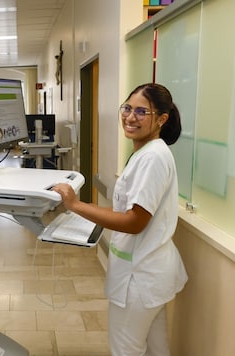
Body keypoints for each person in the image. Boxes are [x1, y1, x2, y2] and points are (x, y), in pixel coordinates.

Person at [52, 83, 188, 356]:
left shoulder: (152, 158)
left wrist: (75, 204)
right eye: (127, 108)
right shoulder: (149, 152)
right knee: (155, 348)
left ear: (161, 119)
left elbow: (135, 221)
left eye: (141, 111)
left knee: (126, 350)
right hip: (150, 273)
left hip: (139, 279)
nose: (130, 117)